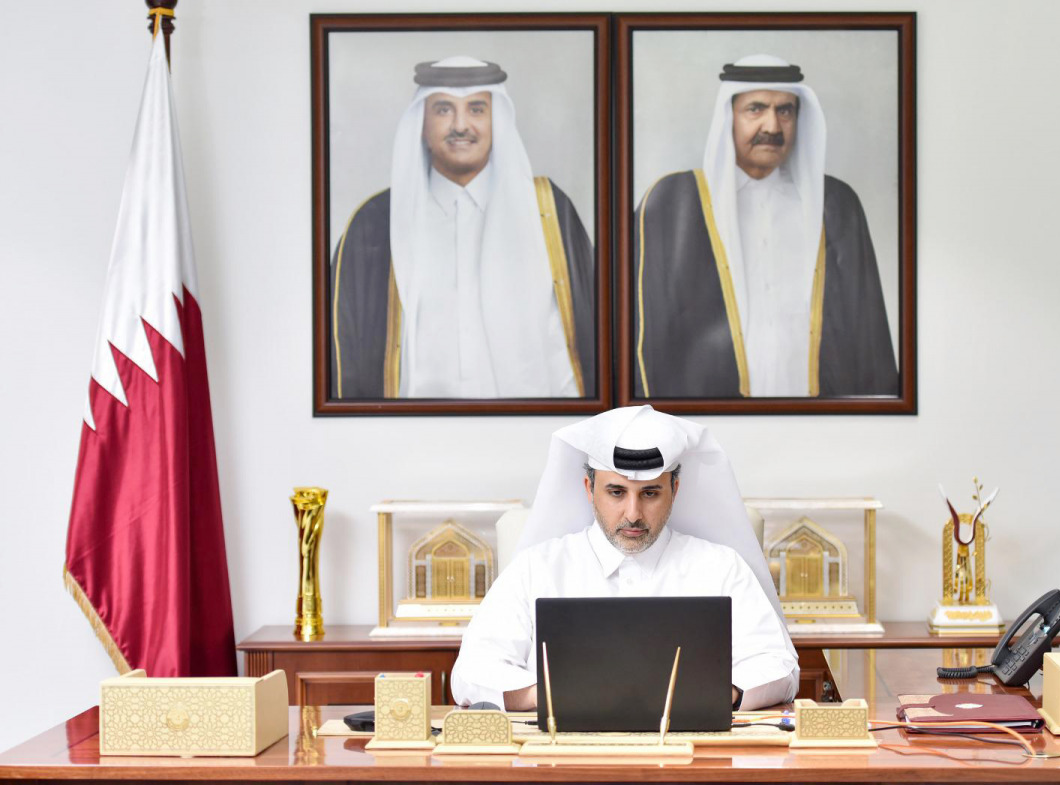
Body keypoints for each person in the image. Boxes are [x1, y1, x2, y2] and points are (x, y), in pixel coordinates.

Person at [451, 405, 799, 711]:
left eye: (650, 493)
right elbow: (470, 674)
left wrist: (721, 693)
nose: (633, 514)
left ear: (674, 490)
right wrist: (548, 695)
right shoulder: (537, 567)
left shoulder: (721, 567)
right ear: (589, 489)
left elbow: (779, 666)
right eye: (616, 492)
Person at [634, 54, 897, 399]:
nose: (772, 127)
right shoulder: (673, 203)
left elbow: (867, 329)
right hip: (710, 415)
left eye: (785, 111)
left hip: (819, 413)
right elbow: (645, 335)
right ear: (729, 117)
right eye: (755, 109)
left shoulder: (836, 203)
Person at [331, 57, 594, 400]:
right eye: (443, 110)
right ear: (421, 125)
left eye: (476, 109)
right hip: (410, 433)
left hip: (530, 429)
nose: (460, 125)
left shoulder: (547, 211)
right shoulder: (375, 224)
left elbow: (583, 341)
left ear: (496, 120)